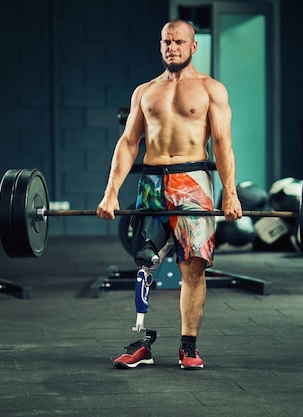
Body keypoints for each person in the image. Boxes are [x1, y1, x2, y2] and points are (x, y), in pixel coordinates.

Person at [96, 19, 242, 370]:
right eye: (166, 41)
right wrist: (111, 192)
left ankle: (188, 347)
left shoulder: (211, 89)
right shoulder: (145, 91)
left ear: (193, 46)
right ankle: (141, 340)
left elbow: (222, 144)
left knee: (192, 267)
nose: (171, 47)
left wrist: (230, 193)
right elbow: (128, 143)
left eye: (178, 41)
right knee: (145, 262)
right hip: (151, 182)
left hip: (193, 181)